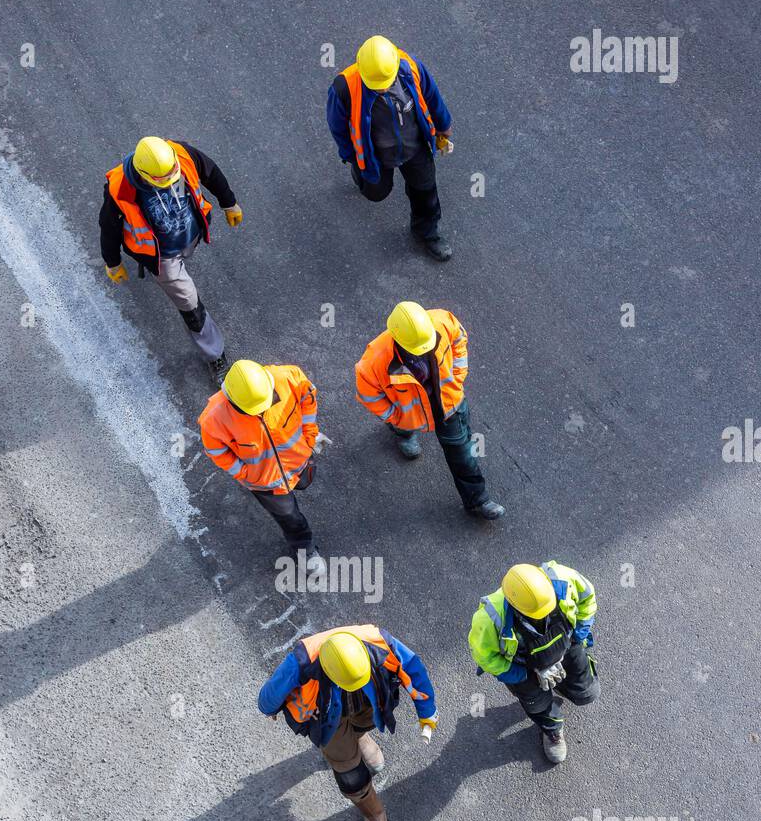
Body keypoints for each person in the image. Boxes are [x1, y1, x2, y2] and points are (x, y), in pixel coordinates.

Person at [258, 626, 437, 821]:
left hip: (367, 700)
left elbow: (412, 667)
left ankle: (360, 736)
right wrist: (270, 707)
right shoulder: (302, 660)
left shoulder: (379, 641)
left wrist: (427, 711)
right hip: (327, 715)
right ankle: (374, 816)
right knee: (350, 773)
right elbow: (269, 696)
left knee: (366, 719)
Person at [99, 135, 242, 381]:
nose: (168, 182)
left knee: (187, 287)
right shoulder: (119, 189)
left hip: (192, 233)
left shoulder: (182, 154)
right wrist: (112, 262)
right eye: (161, 180)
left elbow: (211, 172)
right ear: (142, 173)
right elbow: (108, 227)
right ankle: (214, 354)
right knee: (189, 302)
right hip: (162, 258)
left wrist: (229, 202)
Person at [356, 301, 505, 519]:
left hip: (446, 402)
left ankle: (477, 500)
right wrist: (395, 417)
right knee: (404, 427)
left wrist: (458, 375)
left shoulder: (443, 322)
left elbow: (459, 340)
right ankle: (404, 433)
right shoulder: (374, 361)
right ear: (398, 340)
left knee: (461, 451)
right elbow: (368, 394)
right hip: (409, 412)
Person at [327, 35, 454, 261]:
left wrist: (443, 125)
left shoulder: (411, 67)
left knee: (425, 188)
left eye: (387, 83)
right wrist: (351, 157)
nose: (384, 90)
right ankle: (360, 176)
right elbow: (337, 126)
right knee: (376, 193)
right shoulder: (344, 87)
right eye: (378, 86)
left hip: (413, 146)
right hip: (375, 155)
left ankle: (427, 233)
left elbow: (432, 95)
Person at [199, 359, 326, 571]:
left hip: (299, 460)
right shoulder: (214, 419)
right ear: (232, 400)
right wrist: (244, 474)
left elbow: (308, 396)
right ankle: (304, 549)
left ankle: (298, 482)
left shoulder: (289, 378)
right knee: (289, 516)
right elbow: (216, 451)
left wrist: (310, 434)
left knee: (304, 482)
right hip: (266, 483)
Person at [468, 561, 599, 763]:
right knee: (537, 704)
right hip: (524, 667)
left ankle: (564, 684)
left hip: (566, 644)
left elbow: (587, 598)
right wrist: (525, 675)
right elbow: (487, 659)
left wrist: (578, 638)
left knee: (587, 693)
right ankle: (552, 729)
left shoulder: (562, 579)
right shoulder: (488, 619)